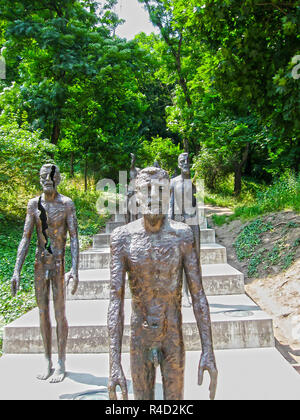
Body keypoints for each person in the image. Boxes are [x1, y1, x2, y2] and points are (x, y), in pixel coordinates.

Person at [108, 166, 217, 400]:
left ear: (169, 195)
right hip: (140, 336)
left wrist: (208, 350)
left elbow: (198, 295)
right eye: (147, 190)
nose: (154, 197)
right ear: (136, 196)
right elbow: (115, 301)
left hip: (172, 335)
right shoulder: (123, 238)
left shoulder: (183, 235)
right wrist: (114, 362)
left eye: (160, 190)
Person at [10, 164, 79, 383]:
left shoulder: (67, 204)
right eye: (43, 177)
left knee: (59, 314)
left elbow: (75, 237)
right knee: (42, 313)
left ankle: (61, 361)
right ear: (40, 179)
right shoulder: (33, 204)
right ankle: (47, 359)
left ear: (58, 179)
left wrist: (74, 269)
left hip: (58, 263)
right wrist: (16, 271)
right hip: (40, 264)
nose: (46, 180)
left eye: (50, 176)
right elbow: (26, 237)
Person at [169, 152, 201, 307]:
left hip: (193, 224)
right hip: (178, 223)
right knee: (178, 260)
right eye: (182, 161)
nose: (185, 163)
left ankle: (194, 292)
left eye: (188, 161)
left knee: (194, 260)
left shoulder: (193, 184)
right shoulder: (173, 182)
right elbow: (170, 204)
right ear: (178, 163)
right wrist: (169, 224)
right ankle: (183, 292)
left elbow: (195, 204)